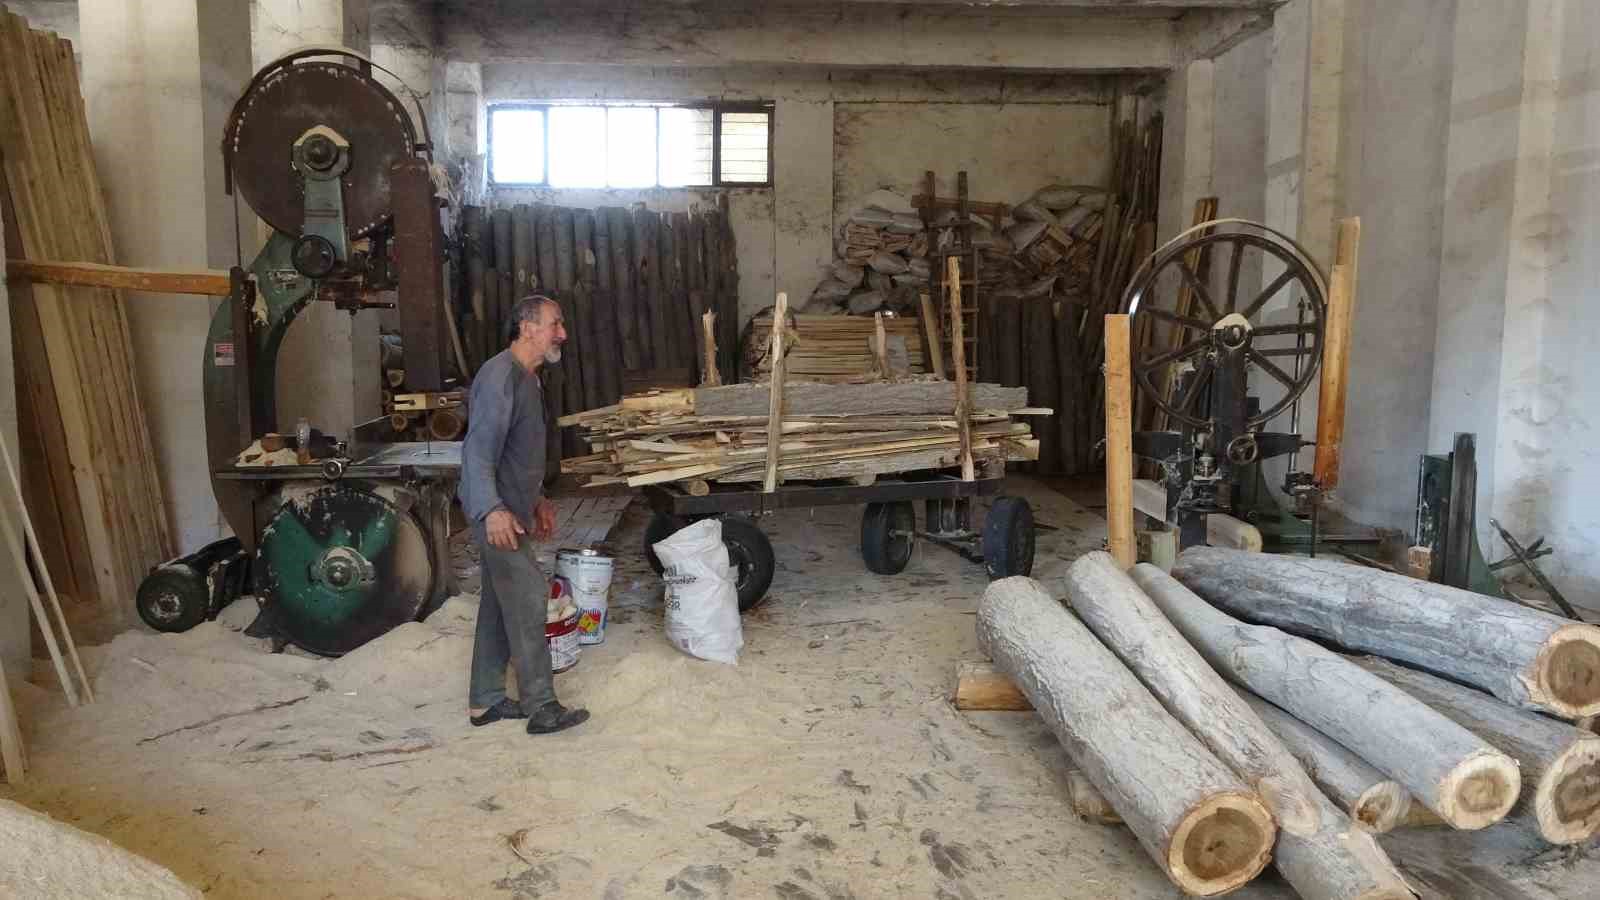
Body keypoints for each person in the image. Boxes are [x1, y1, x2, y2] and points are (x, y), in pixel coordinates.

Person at [460, 295, 590, 735]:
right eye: (555, 324)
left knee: (499, 603)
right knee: (530, 594)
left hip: (512, 508)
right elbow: (478, 451)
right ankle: (541, 706)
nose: (562, 334)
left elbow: (519, 453)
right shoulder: (500, 376)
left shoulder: (528, 379)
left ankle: (485, 701)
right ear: (527, 327)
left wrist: (537, 499)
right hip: (496, 512)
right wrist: (491, 509)